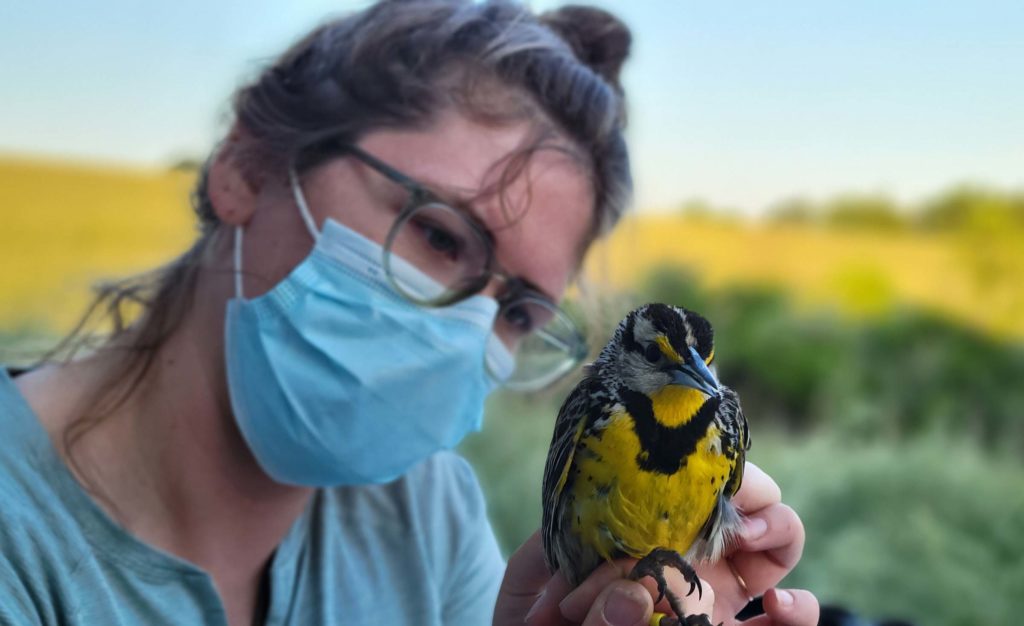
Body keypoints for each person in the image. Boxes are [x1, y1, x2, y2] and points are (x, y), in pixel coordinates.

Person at [0, 1, 819, 624]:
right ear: (247, 165)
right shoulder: (20, 540)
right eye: (437, 235)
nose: (465, 329)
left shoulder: (429, 514)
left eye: (521, 310)